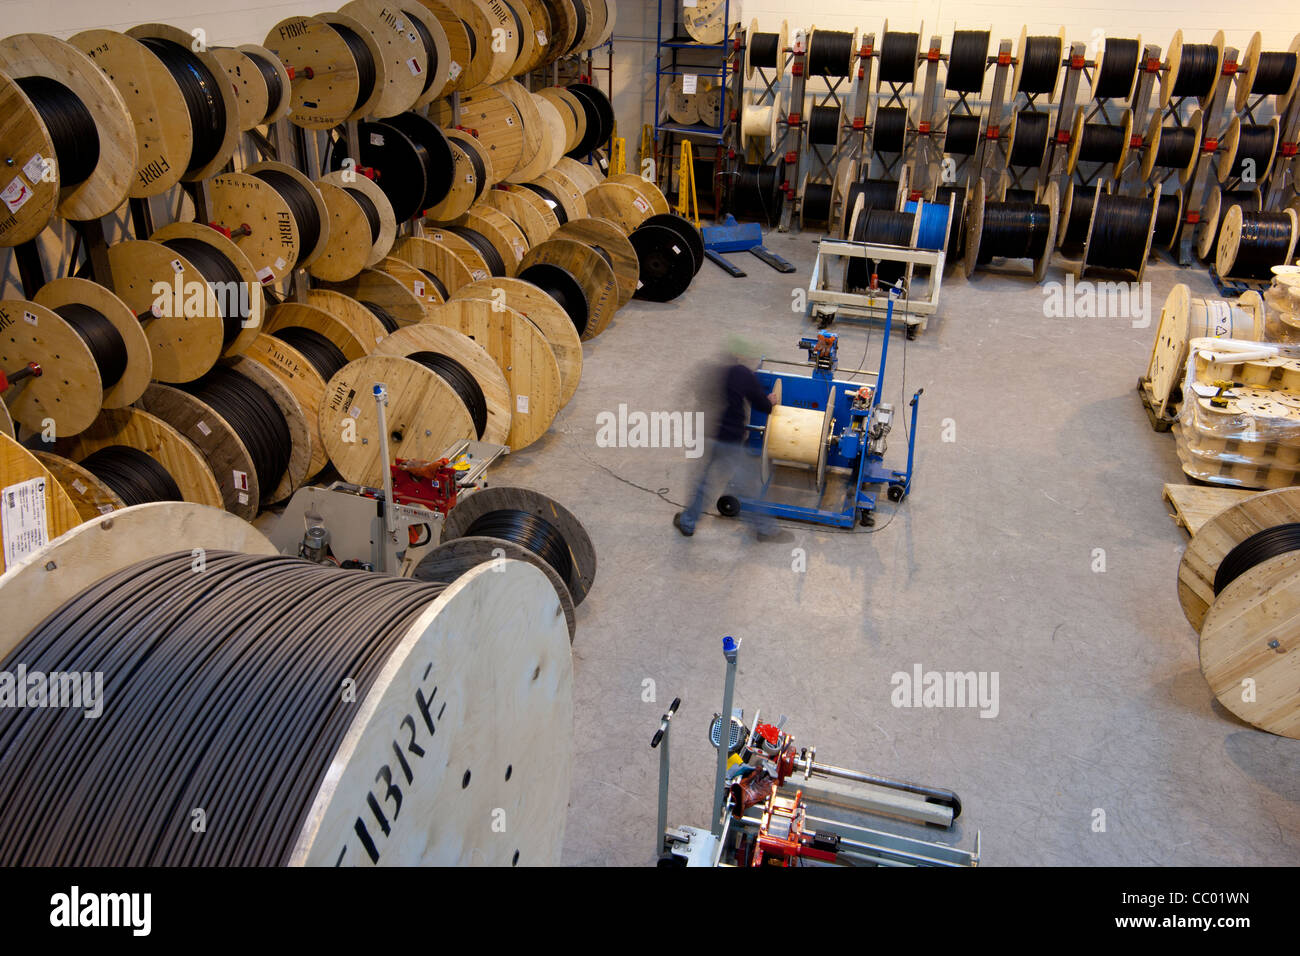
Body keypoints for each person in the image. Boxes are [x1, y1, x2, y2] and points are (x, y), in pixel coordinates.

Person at [674, 335, 784, 540]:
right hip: (730, 438)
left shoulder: (715, 370)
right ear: (742, 356)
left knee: (704, 483)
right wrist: (771, 400)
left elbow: (701, 396)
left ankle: (688, 522)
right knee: (748, 484)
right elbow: (763, 405)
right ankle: (765, 529)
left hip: (710, 434)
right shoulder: (743, 374)